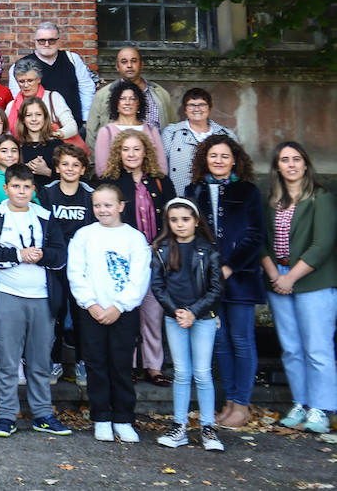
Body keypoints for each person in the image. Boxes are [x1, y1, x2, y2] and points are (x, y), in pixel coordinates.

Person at [0, 164, 72, 438]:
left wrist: (41, 256)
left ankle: (43, 413)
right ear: (6, 188)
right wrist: (18, 255)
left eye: (26, 187)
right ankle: (7, 416)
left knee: (41, 360)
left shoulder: (44, 216)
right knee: (7, 360)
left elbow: (60, 256)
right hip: (7, 295)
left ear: (34, 190)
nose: (21, 191)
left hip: (41, 297)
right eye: (16, 186)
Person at [185, 133, 264, 430]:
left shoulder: (248, 191)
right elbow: (188, 233)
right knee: (219, 341)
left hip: (240, 278)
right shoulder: (194, 190)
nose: (218, 161)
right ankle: (229, 401)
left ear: (235, 160)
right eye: (213, 156)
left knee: (241, 340)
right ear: (205, 158)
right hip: (206, 280)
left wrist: (230, 266)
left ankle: (242, 404)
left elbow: (255, 235)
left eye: (224, 156)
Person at [260, 142, 336, 435]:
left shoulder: (322, 199)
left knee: (317, 348)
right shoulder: (272, 202)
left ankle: (322, 408)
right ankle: (301, 403)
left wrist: (290, 277)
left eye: (296, 159)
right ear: (277, 166)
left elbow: (323, 245)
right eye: (284, 160)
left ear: (305, 164)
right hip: (278, 277)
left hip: (311, 279)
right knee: (291, 348)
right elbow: (262, 243)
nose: (291, 165)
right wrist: (275, 276)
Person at [67, 183, 152, 443]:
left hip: (122, 313)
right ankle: (101, 417)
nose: (102, 210)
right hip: (91, 311)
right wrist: (90, 304)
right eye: (97, 205)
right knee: (96, 365)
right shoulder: (84, 235)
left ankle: (124, 418)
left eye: (108, 205)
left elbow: (139, 277)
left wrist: (119, 306)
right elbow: (76, 273)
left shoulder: (134, 238)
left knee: (121, 365)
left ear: (120, 206)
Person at [152, 196, 226, 452]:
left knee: (203, 372)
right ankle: (179, 426)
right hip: (175, 319)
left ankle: (208, 427)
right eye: (174, 220)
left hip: (203, 318)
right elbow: (158, 287)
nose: (180, 225)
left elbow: (217, 289)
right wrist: (177, 312)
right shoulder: (161, 250)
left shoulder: (209, 250)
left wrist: (193, 312)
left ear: (196, 221)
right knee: (182, 373)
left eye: (185, 220)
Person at [102, 128, 171, 385]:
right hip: (123, 256)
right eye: (126, 149)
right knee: (127, 311)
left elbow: (171, 217)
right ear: (119, 153)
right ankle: (127, 364)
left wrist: (160, 244)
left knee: (152, 313)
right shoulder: (111, 181)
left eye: (136, 149)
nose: (131, 154)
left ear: (146, 152)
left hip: (155, 255)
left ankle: (153, 366)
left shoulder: (160, 180)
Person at [38, 144, 95, 385]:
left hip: (83, 263)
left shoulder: (90, 195)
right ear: (57, 168)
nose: (70, 169)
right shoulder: (47, 193)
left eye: (75, 165)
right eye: (65, 164)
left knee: (82, 312)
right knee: (57, 311)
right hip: (56, 261)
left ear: (82, 169)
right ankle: (55, 361)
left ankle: (83, 363)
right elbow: (43, 229)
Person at [86, 47, 175, 144]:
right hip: (115, 156)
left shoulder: (160, 94)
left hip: (155, 155)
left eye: (134, 61)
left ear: (141, 65)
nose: (129, 65)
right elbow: (92, 133)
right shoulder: (103, 95)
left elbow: (173, 128)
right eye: (124, 62)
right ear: (117, 66)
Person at [162, 89, 238, 197]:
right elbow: (161, 168)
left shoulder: (226, 134)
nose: (197, 109)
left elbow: (238, 167)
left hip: (218, 197)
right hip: (180, 197)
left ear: (209, 107)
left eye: (202, 104)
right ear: (185, 109)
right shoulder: (171, 133)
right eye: (191, 105)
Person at [18, 22, 96, 127]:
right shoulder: (21, 65)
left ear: (59, 41)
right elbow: (18, 99)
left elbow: (86, 89)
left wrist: (85, 120)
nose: (47, 44)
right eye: (42, 40)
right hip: (38, 128)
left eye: (51, 40)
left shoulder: (73, 59)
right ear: (35, 41)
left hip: (74, 126)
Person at [93, 80, 167, 177]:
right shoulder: (106, 132)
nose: (127, 102)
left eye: (132, 99)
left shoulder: (151, 130)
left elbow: (162, 167)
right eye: (123, 98)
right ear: (116, 103)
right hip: (117, 186)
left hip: (149, 186)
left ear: (139, 103)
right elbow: (102, 170)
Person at [7, 58, 79, 142]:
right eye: (22, 81)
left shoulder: (53, 98)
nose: (26, 85)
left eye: (30, 80)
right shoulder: (11, 106)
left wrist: (55, 135)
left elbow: (72, 126)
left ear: (39, 79)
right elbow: (6, 134)